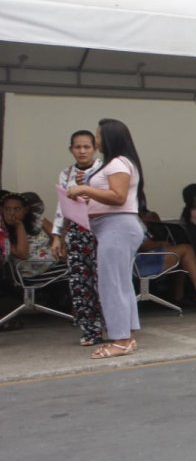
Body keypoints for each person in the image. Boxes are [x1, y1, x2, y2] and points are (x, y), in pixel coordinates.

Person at [66, 118, 148, 359]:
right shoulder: (116, 164)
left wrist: (85, 190)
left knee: (111, 284)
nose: (96, 140)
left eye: (98, 135)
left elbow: (118, 196)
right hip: (113, 227)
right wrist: (88, 189)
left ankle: (120, 340)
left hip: (117, 226)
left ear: (109, 138)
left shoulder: (118, 164)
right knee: (119, 283)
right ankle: (126, 337)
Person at [50, 130, 105, 346]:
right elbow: (61, 206)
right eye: (77, 147)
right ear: (71, 149)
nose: (82, 151)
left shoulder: (104, 171)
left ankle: (114, 327)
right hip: (76, 232)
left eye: (86, 147)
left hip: (101, 230)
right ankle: (90, 331)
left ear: (94, 148)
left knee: (104, 281)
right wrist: (57, 236)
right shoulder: (66, 173)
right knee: (81, 283)